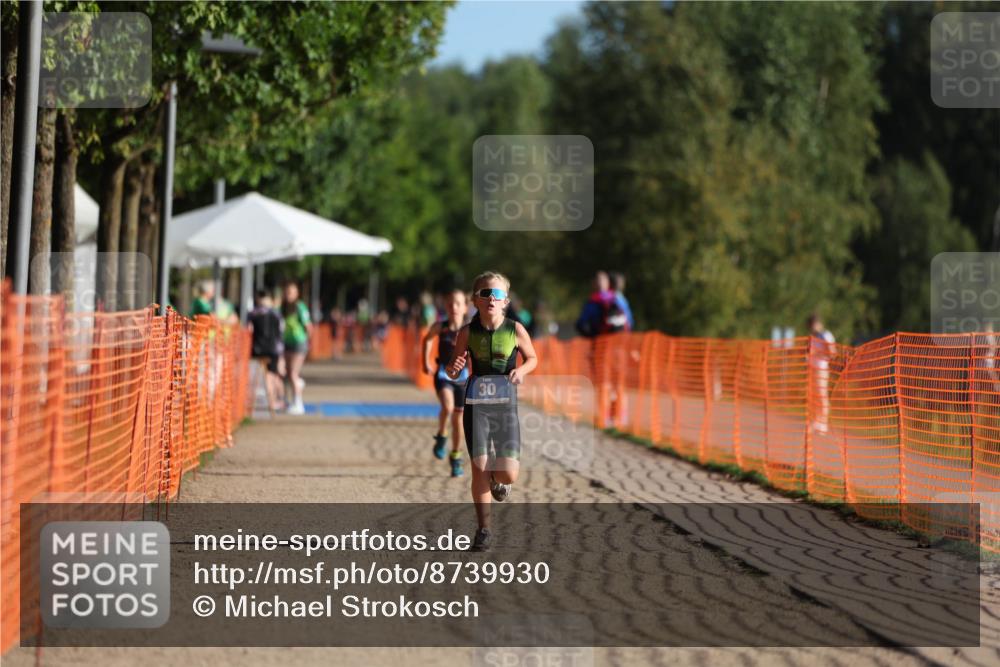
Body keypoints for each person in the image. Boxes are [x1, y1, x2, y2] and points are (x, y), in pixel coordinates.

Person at [446, 271, 538, 552]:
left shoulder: (515, 330)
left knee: (508, 474)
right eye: (485, 293)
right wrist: (454, 369)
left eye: (497, 295)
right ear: (475, 300)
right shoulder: (466, 333)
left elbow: (533, 358)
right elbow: (452, 370)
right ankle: (484, 530)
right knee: (480, 470)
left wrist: (521, 370)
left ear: (505, 301)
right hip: (477, 407)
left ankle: (501, 481)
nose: (491, 299)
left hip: (505, 408)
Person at [422, 289, 470, 478]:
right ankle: (442, 436)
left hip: (463, 378)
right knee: (447, 408)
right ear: (446, 307)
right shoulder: (440, 327)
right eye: (450, 303)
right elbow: (426, 340)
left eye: (458, 303)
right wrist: (425, 361)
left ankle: (456, 457)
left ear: (465, 307)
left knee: (459, 421)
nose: (454, 307)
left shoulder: (469, 329)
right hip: (443, 375)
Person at [248, 290, 285, 411]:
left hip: (257, 349)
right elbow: (280, 333)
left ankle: (262, 401)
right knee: (271, 376)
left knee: (257, 376)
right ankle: (272, 402)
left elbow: (249, 330)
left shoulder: (253, 314)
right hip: (273, 349)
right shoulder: (276, 314)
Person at [282, 281, 312, 415]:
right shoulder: (282, 307)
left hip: (299, 343)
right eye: (287, 292)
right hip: (287, 343)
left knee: (293, 373)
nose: (289, 295)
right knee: (289, 374)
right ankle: (297, 388)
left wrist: (307, 341)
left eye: (291, 292)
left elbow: (308, 326)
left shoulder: (300, 307)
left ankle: (299, 404)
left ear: (296, 293)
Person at [808, 313, 836, 434]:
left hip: (821, 368)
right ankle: (816, 421)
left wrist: (817, 354)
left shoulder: (825, 335)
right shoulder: (814, 337)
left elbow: (832, 353)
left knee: (821, 395)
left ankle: (823, 423)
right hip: (812, 367)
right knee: (814, 395)